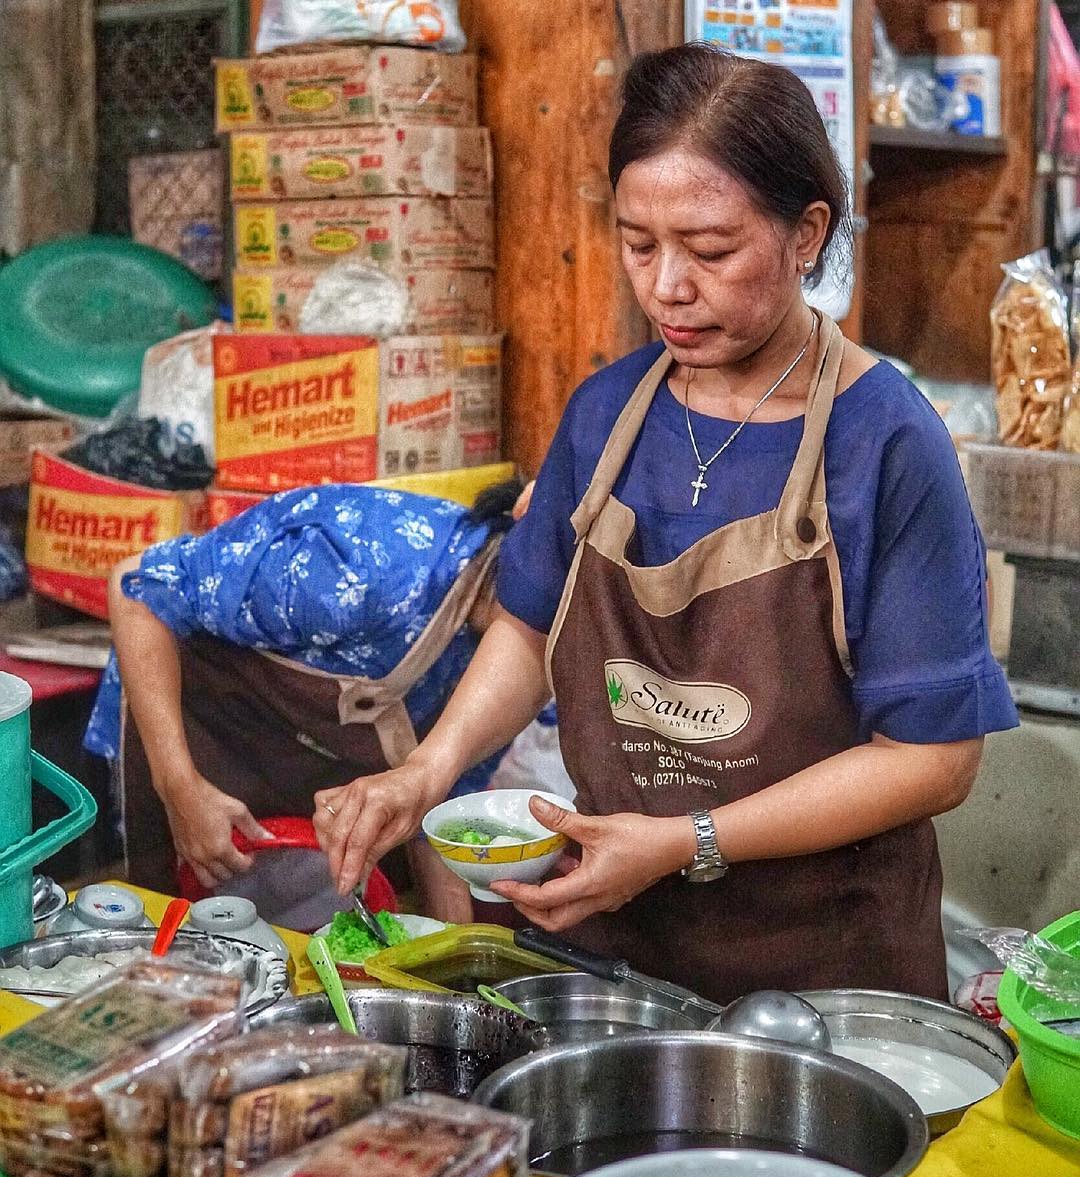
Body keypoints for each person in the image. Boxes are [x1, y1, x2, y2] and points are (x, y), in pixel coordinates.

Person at [312, 45, 1018, 1002]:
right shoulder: (607, 416)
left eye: (712, 250)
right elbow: (528, 626)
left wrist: (688, 843)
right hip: (614, 949)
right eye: (638, 244)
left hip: (821, 982)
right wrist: (426, 771)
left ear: (807, 234)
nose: (668, 287)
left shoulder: (887, 443)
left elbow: (934, 761)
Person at [86, 479, 523, 922]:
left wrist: (452, 945)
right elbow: (136, 590)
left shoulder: (526, 664)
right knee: (164, 930)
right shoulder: (370, 564)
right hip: (200, 734)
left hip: (303, 778)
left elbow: (441, 797)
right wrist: (180, 789)